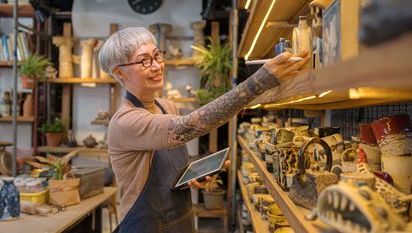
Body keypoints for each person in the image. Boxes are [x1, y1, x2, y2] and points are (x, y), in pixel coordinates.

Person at [99, 27, 309, 233]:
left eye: (157, 56)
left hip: (180, 220)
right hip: (145, 225)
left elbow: (171, 166)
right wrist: (258, 82)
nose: (156, 66)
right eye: (144, 60)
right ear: (120, 72)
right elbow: (189, 127)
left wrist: (195, 173)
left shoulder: (167, 106)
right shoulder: (125, 121)